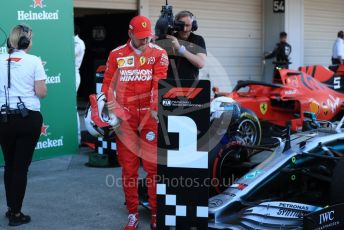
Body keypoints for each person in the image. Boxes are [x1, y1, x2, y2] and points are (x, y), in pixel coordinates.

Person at [101, 15, 168, 230]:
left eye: (147, 37)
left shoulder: (158, 53)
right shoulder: (117, 54)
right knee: (128, 170)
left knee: (153, 169)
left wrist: (154, 111)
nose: (144, 41)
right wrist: (113, 113)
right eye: (140, 38)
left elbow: (159, 83)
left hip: (149, 119)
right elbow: (107, 88)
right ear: (130, 33)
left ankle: (157, 213)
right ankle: (132, 214)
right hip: (125, 121)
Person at [0, 24, 47, 226]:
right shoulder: (34, 61)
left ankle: (11, 208)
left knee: (10, 165)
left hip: (3, 120)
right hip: (28, 120)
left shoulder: (0, 59)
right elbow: (41, 92)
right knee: (20, 168)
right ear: (26, 41)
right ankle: (16, 215)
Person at [157, 10, 207, 80]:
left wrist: (180, 49)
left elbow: (200, 63)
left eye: (187, 25)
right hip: (169, 85)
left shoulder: (198, 39)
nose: (184, 29)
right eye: (181, 25)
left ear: (193, 25)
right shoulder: (169, 38)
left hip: (189, 86)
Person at [74, 25, 85, 145]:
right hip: (65, 75)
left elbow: (68, 55)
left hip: (73, 74)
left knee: (72, 107)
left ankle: (77, 139)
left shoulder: (78, 42)